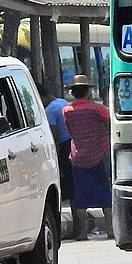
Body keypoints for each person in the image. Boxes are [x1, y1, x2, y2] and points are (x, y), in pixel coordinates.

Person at [62, 74, 112, 240]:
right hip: (98, 154)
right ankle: (111, 230)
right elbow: (109, 123)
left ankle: (83, 232)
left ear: (73, 92)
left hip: (78, 157)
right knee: (105, 194)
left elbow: (69, 131)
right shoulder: (98, 109)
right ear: (88, 92)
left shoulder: (67, 111)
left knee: (81, 197)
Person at [42, 87, 77, 235]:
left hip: (63, 148)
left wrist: (54, 159)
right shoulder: (62, 102)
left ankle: (72, 229)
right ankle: (77, 226)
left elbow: (54, 135)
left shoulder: (49, 110)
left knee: (66, 189)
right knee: (74, 188)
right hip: (73, 144)